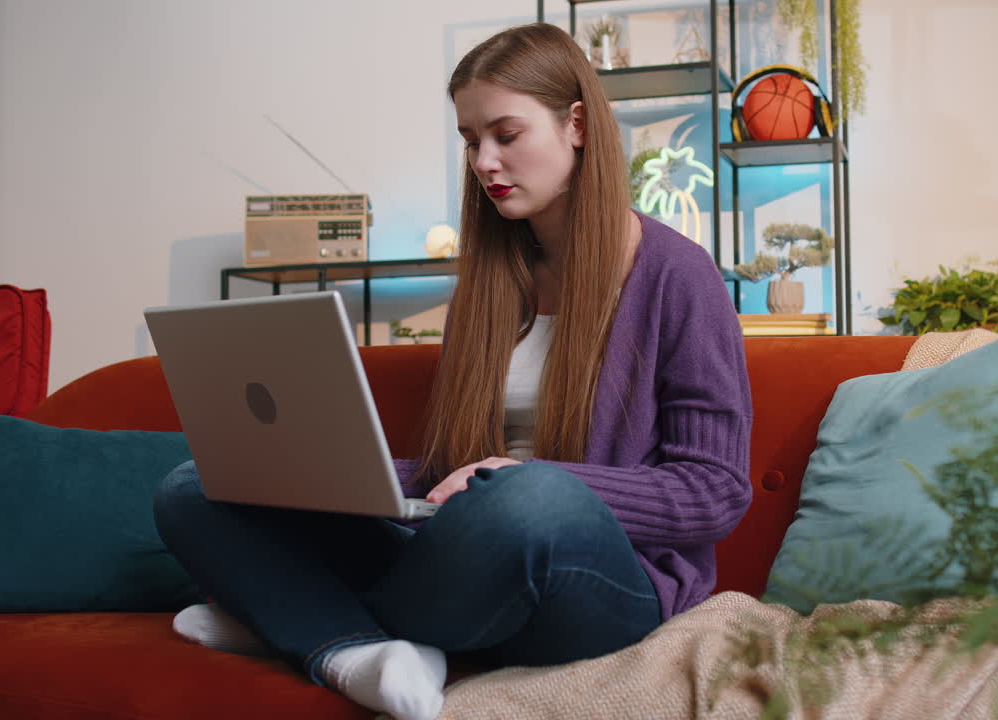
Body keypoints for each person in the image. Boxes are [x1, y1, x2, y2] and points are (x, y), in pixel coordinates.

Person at [153, 22, 752, 720]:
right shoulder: (491, 282)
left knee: (531, 501)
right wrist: (345, 477)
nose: (484, 162)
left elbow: (714, 490)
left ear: (578, 126)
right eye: (471, 141)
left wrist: (524, 480)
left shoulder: (678, 275)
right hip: (468, 552)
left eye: (506, 134)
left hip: (605, 579)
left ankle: (291, 618)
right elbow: (453, 473)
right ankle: (347, 648)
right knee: (192, 486)